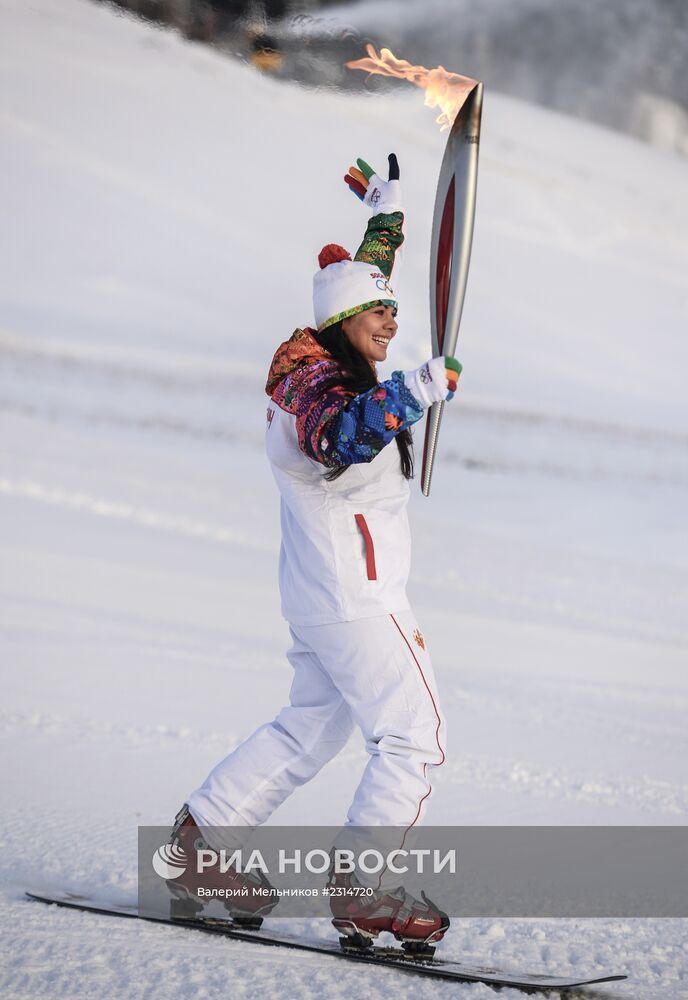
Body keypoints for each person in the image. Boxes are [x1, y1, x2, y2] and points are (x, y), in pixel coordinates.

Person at [167, 153, 462, 947]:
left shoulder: (322, 354)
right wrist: (413, 393)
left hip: (321, 592)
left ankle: (201, 843)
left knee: (313, 727)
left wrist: (384, 219)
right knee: (415, 737)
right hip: (356, 597)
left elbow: (364, 285)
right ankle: (363, 887)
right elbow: (341, 436)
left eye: (394, 312)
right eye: (381, 315)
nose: (394, 323)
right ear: (340, 323)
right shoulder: (317, 392)